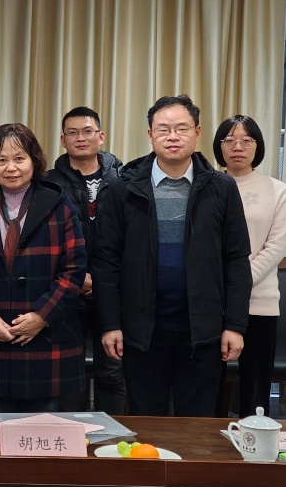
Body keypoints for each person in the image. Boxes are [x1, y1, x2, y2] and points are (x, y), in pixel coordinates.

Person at [94, 94, 252, 417]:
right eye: (163, 129)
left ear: (197, 132)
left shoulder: (221, 188)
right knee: (146, 421)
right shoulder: (122, 189)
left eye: (182, 128)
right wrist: (110, 324)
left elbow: (236, 260)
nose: (173, 136)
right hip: (141, 331)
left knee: (198, 423)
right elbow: (106, 263)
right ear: (150, 135)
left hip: (202, 331)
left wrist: (235, 325)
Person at [0, 124, 86, 411]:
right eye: (1, 160)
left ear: (34, 160)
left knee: (45, 434)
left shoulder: (59, 203)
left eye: (19, 158)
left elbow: (74, 269)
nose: (11, 168)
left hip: (48, 341)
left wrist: (42, 315)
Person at [44, 107, 124, 411]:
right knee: (68, 374)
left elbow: (131, 240)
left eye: (88, 131)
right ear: (63, 139)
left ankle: (114, 434)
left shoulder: (124, 179)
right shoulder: (49, 184)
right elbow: (47, 242)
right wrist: (76, 278)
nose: (81, 138)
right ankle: (71, 435)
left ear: (100, 136)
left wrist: (103, 280)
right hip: (67, 291)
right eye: (73, 132)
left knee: (113, 370)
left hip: (114, 292)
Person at [213, 114, 286, 415]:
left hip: (259, 302)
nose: (238, 147)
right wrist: (219, 287)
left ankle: (255, 442)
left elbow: (275, 248)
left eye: (246, 140)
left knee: (256, 388)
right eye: (229, 140)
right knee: (210, 387)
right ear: (219, 146)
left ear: (257, 146)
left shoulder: (278, 190)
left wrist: (237, 284)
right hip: (212, 302)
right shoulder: (207, 186)